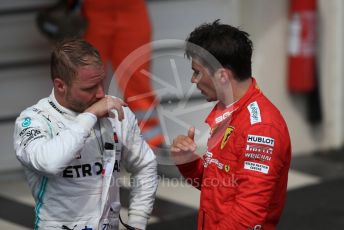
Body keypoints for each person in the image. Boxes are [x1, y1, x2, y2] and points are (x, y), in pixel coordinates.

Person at [13, 39, 158, 230]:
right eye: (89, 88)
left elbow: (145, 164)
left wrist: (138, 221)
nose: (99, 94)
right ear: (60, 85)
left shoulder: (115, 111)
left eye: (101, 83)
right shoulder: (33, 120)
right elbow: (49, 163)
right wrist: (89, 116)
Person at [171, 20, 291, 230]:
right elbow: (219, 187)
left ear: (223, 76)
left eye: (197, 71)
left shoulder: (261, 127)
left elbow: (249, 213)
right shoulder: (229, 112)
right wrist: (188, 162)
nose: (193, 79)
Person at [82, 0, 165, 149]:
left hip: (132, 8)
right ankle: (84, 145)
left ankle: (151, 143)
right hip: (89, 11)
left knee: (138, 79)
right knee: (85, 81)